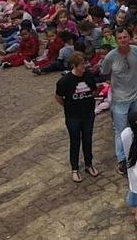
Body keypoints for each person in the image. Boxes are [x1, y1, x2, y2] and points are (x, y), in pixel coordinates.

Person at [100, 27, 137, 173]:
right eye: (120, 38)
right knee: (120, 130)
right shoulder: (110, 57)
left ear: (130, 37)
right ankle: (122, 159)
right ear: (116, 39)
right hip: (120, 98)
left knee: (135, 126)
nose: (123, 40)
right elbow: (105, 72)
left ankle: (136, 152)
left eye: (125, 37)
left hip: (135, 95)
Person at [54, 53, 101, 181]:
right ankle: (74, 168)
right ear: (74, 66)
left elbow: (93, 90)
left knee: (87, 139)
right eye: (81, 64)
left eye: (85, 63)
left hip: (88, 115)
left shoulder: (89, 76)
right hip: (73, 117)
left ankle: (88, 164)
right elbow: (58, 97)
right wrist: (68, 107)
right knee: (75, 142)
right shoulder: (65, 81)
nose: (84, 66)